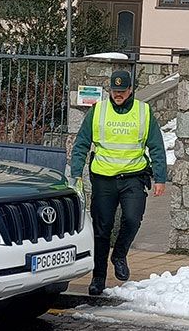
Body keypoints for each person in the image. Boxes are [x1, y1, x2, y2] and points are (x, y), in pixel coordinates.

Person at [69, 69, 168, 296]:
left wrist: (160, 178)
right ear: (110, 90)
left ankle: (120, 254)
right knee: (102, 230)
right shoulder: (98, 111)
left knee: (133, 219)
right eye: (115, 91)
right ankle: (98, 278)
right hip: (104, 179)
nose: (118, 95)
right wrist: (75, 173)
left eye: (122, 91)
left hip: (133, 177)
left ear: (131, 90)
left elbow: (156, 146)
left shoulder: (143, 112)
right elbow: (82, 143)